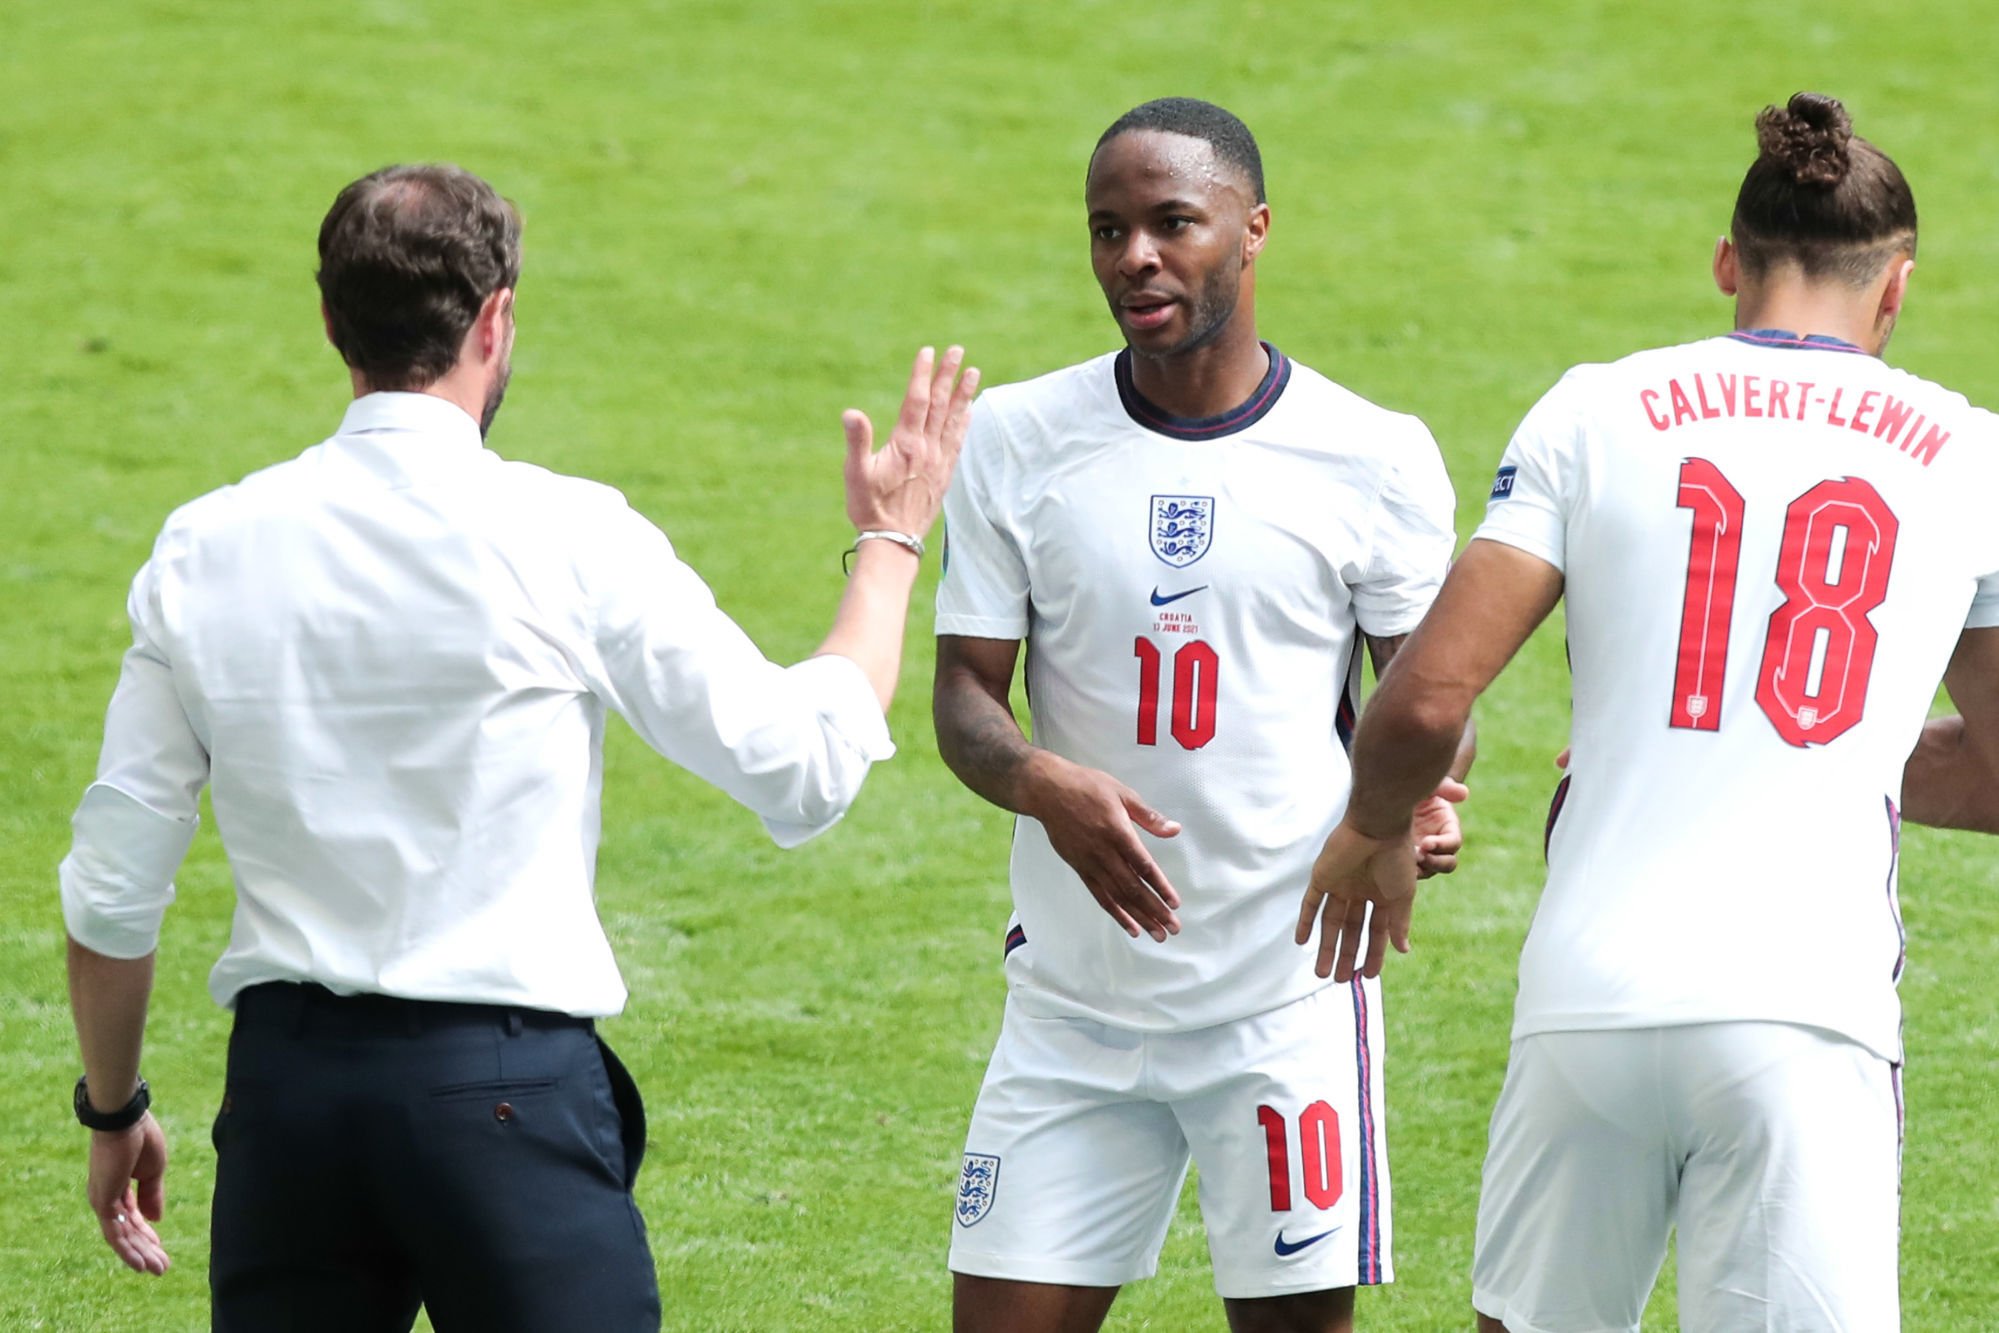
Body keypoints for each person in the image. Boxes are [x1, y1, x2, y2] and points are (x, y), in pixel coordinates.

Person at [60, 162, 978, 1332]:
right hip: (505, 1102)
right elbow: (801, 763)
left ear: (332, 320)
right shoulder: (569, 534)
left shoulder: (202, 547)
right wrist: (892, 541)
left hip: (288, 1109)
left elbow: (113, 888)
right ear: (494, 319)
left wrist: (111, 1108)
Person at [1296, 93, 1999, 1332]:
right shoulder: (1970, 455)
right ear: (1895, 288)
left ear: (1728, 261)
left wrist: (1370, 828)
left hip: (1587, 1003)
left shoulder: (1595, 409)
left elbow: (1428, 697)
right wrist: (1835, 759)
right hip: (1806, 1017)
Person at [933, 98, 1468, 1333]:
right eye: (1107, 230)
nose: (1135, 258)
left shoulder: (1372, 455)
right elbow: (964, 691)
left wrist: (1407, 803)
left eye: (1173, 223)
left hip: (1284, 1000)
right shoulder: (1016, 437)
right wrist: (1041, 782)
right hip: (1070, 1004)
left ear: (1253, 228)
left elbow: (1429, 702)